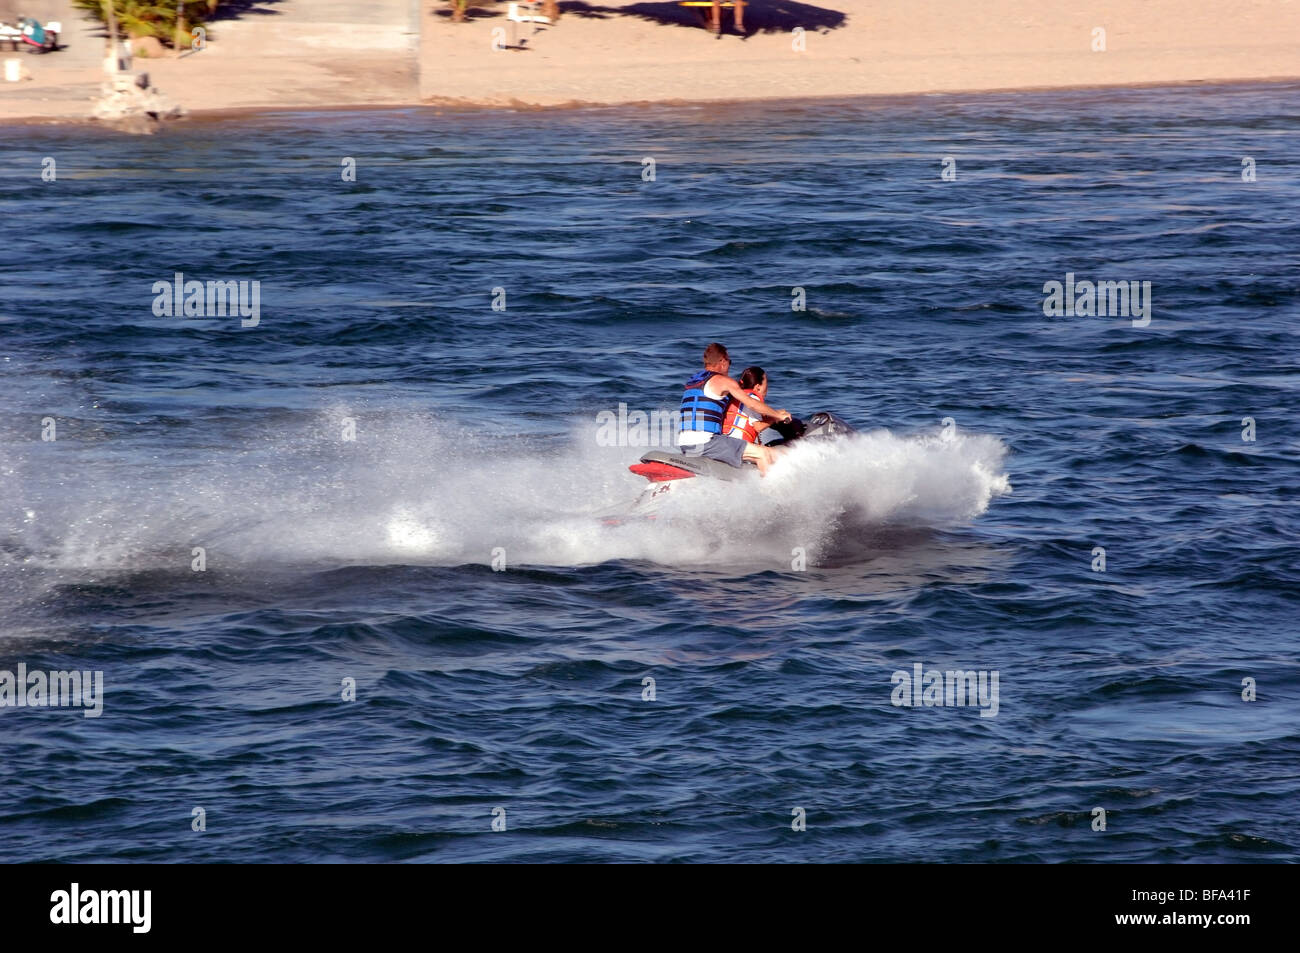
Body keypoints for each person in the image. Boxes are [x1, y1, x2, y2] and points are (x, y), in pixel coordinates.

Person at [678, 343, 791, 475]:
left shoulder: (692, 382)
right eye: (729, 361)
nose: (729, 366)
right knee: (763, 454)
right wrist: (777, 415)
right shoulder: (724, 381)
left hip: (685, 443)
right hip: (707, 442)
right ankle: (771, 493)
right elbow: (752, 404)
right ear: (723, 361)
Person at [721, 366, 785, 476]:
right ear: (757, 387)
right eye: (766, 384)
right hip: (738, 446)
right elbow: (758, 426)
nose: (767, 389)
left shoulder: (735, 397)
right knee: (779, 454)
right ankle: (772, 485)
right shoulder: (753, 399)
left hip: (724, 443)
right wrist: (775, 418)